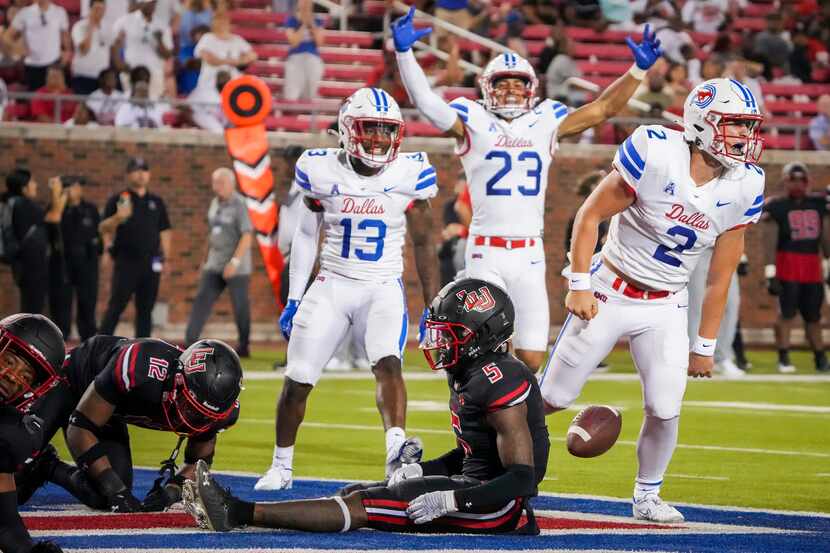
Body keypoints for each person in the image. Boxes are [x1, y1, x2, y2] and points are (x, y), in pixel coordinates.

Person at [538, 78, 766, 523]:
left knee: (665, 407)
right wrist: (580, 282)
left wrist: (704, 345)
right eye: (734, 125)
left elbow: (720, 277)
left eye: (747, 126)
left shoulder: (745, 183)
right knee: (551, 397)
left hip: (666, 304)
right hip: (610, 290)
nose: (742, 136)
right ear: (702, 123)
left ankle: (647, 495)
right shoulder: (657, 152)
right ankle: (481, 452)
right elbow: (590, 216)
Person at [393, 7, 663, 372]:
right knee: (480, 347)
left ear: (530, 89)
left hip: (530, 254)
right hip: (486, 253)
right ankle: (475, 419)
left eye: (517, 83)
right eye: (502, 83)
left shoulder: (546, 120)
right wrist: (405, 54)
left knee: (532, 358)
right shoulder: (473, 119)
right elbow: (427, 104)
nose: (509, 90)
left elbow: (602, 110)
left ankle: (508, 419)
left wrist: (637, 70)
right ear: (487, 88)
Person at [183, 278, 550, 536]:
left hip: (498, 509)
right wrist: (422, 469)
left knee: (362, 503)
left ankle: (237, 511)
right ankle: (240, 511)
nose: (440, 341)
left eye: (451, 333)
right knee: (352, 490)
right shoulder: (472, 372)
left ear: (482, 336)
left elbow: (522, 479)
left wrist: (451, 499)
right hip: (478, 489)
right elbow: (476, 453)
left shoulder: (501, 378)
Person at [254, 87, 440, 490]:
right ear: (346, 128)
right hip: (333, 284)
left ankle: (395, 453)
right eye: (368, 129)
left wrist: (432, 304)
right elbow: (306, 234)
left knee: (388, 362)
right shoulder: (319, 169)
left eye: (385, 130)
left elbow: (425, 243)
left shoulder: (410, 173)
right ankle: (281, 466)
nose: (377, 139)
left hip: (382, 286)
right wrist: (294, 297)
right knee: (298, 378)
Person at [0, 313, 243, 520]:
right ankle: (34, 459)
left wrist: (171, 492)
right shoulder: (140, 367)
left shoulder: (217, 412)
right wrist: (115, 489)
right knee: (14, 475)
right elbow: (80, 427)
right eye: (190, 406)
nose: (193, 418)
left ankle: (47, 465)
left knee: (100, 495)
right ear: (177, 380)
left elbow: (196, 464)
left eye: (202, 414)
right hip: (76, 381)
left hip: (109, 408)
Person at [0, 313, 67, 553]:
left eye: (26, 376)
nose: (12, 376)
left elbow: (5, 526)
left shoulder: (8, 432)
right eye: (9, 361)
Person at [762, 162, 830, 373]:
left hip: (812, 266)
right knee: (787, 314)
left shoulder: (819, 203)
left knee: (814, 316)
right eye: (794, 179)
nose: (798, 184)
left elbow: (826, 239)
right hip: (787, 265)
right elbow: (769, 240)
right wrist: (770, 272)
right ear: (785, 181)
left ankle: (820, 358)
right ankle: (783, 356)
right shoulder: (777, 206)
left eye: (802, 179)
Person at [98, 157, 172, 338]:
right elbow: (103, 228)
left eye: (144, 170)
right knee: (117, 305)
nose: (141, 174)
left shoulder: (156, 201)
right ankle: (100, 344)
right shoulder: (119, 199)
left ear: (149, 174)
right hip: (126, 261)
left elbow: (165, 230)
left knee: (146, 308)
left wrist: (166, 258)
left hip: (151, 261)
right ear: (128, 174)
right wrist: (118, 218)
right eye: (136, 170)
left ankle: (142, 348)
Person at [185, 168, 253, 357]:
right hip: (214, 264)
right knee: (201, 300)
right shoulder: (214, 203)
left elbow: (247, 236)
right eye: (215, 182)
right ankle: (190, 341)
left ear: (232, 184)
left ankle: (244, 345)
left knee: (241, 307)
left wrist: (235, 262)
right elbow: (211, 233)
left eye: (221, 183)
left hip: (236, 268)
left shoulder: (240, 204)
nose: (217, 187)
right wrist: (204, 259)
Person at [46, 175, 101, 342]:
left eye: (78, 187)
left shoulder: (90, 209)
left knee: (87, 303)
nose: (76, 190)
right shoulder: (55, 209)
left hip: (87, 262)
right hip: (62, 262)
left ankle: (89, 339)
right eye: (71, 187)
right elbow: (50, 231)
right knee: (61, 303)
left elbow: (99, 235)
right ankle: (60, 339)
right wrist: (58, 201)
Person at [3, 170, 62, 314]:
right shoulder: (23, 204)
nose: (35, 185)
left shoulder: (11, 203)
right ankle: (26, 336)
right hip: (31, 264)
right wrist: (56, 192)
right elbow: (54, 217)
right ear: (24, 188)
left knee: (29, 305)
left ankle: (25, 335)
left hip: (23, 263)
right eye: (32, 182)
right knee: (32, 309)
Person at [112, 0, 174, 100]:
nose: (151, 5)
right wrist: (121, 64)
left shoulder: (162, 25)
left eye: (153, 2)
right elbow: (114, 46)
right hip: (131, 72)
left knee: (154, 106)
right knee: (130, 103)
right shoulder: (124, 21)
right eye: (148, 2)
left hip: (154, 74)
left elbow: (168, 55)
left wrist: (159, 41)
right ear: (140, 3)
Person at [5, 0, 70, 91]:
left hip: (54, 64)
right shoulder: (25, 13)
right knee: (35, 99)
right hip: (33, 66)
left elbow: (65, 35)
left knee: (55, 98)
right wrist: (18, 49)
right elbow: (8, 36)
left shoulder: (60, 12)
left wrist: (67, 52)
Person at [193, 10, 255, 94]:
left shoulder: (237, 40)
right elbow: (208, 58)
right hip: (210, 84)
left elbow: (252, 56)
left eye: (223, 21)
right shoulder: (207, 38)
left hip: (234, 83)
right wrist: (232, 61)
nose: (221, 24)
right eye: (218, 20)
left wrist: (239, 61)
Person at [283, 0, 324, 101]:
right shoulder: (291, 20)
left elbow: (320, 42)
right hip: (295, 58)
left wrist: (311, 23)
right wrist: (304, 24)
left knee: (310, 95)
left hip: (313, 58)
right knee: (291, 96)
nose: (306, 4)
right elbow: (294, 42)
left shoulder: (318, 20)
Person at [70, 0, 113, 95]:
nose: (99, 12)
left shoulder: (108, 27)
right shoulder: (79, 26)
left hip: (101, 78)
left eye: (102, 9)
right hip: (83, 76)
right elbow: (84, 50)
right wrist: (91, 26)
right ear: (90, 9)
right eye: (96, 9)